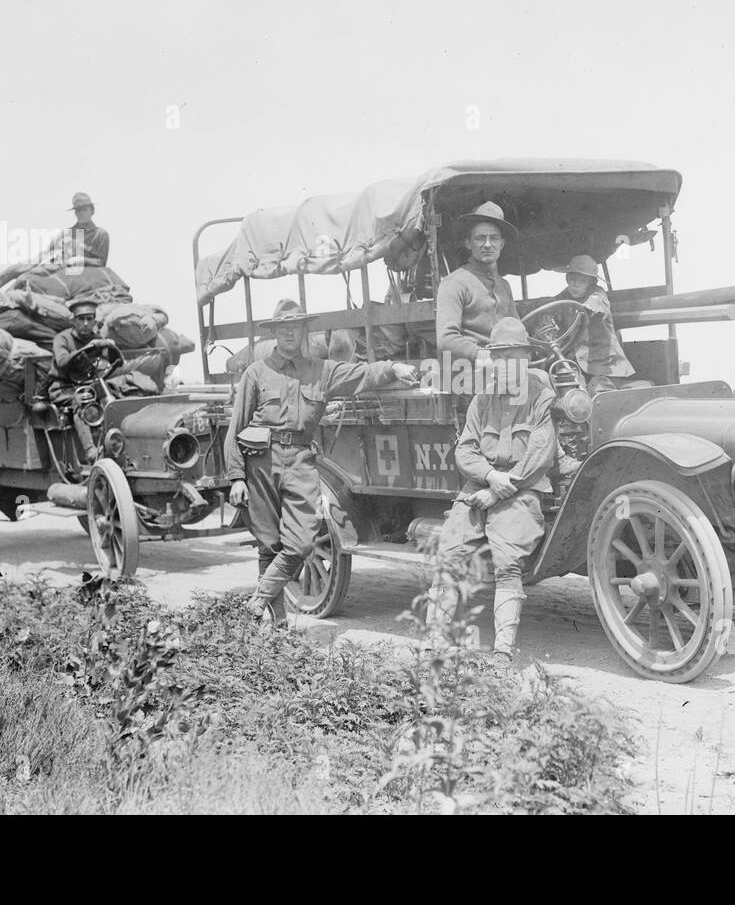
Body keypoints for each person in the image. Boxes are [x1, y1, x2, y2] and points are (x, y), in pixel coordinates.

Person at [225, 299, 419, 623]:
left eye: (296, 327)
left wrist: (392, 368)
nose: (290, 333)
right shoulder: (256, 373)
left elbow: (360, 374)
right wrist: (236, 478)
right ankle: (279, 628)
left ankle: (257, 602)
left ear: (303, 331)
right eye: (283, 327)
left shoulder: (321, 371)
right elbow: (237, 427)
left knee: (301, 543)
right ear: (275, 332)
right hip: (260, 463)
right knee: (269, 544)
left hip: (300, 461)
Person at [432, 316, 557, 663]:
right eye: (501, 357)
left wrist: (502, 486)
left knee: (507, 561)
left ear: (526, 359)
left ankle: (502, 651)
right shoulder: (482, 399)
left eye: (515, 356)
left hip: (523, 488)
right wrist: (488, 477)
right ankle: (437, 642)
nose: (508, 364)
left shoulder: (541, 398)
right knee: (449, 551)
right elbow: (465, 450)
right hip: (482, 485)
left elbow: (540, 456)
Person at [435, 201, 519, 365]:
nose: (487, 244)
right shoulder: (454, 283)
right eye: (480, 238)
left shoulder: (504, 286)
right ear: (468, 243)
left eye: (494, 238)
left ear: (502, 243)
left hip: (503, 369)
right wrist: (480, 355)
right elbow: (446, 339)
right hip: (467, 373)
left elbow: (516, 328)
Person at [48, 295, 117, 462]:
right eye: (81, 319)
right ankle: (90, 451)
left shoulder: (97, 338)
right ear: (73, 321)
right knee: (83, 401)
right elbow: (63, 362)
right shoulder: (62, 339)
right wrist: (87, 348)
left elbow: (109, 363)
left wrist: (111, 348)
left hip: (89, 386)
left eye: (89, 319)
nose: (85, 323)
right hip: (63, 388)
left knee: (115, 399)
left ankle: (114, 443)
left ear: (94, 321)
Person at [552, 254, 635, 381]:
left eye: (582, 281)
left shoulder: (598, 294)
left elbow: (596, 305)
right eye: (573, 279)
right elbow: (550, 304)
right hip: (574, 363)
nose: (576, 284)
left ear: (591, 283)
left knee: (599, 390)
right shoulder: (564, 296)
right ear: (567, 279)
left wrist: (585, 308)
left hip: (604, 366)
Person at [44, 191, 111, 269]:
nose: (81, 213)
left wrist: (81, 260)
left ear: (92, 211)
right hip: (63, 272)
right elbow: (48, 253)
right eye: (78, 210)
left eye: (84, 209)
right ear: (75, 213)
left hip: (89, 276)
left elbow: (101, 262)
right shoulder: (66, 233)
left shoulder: (101, 234)